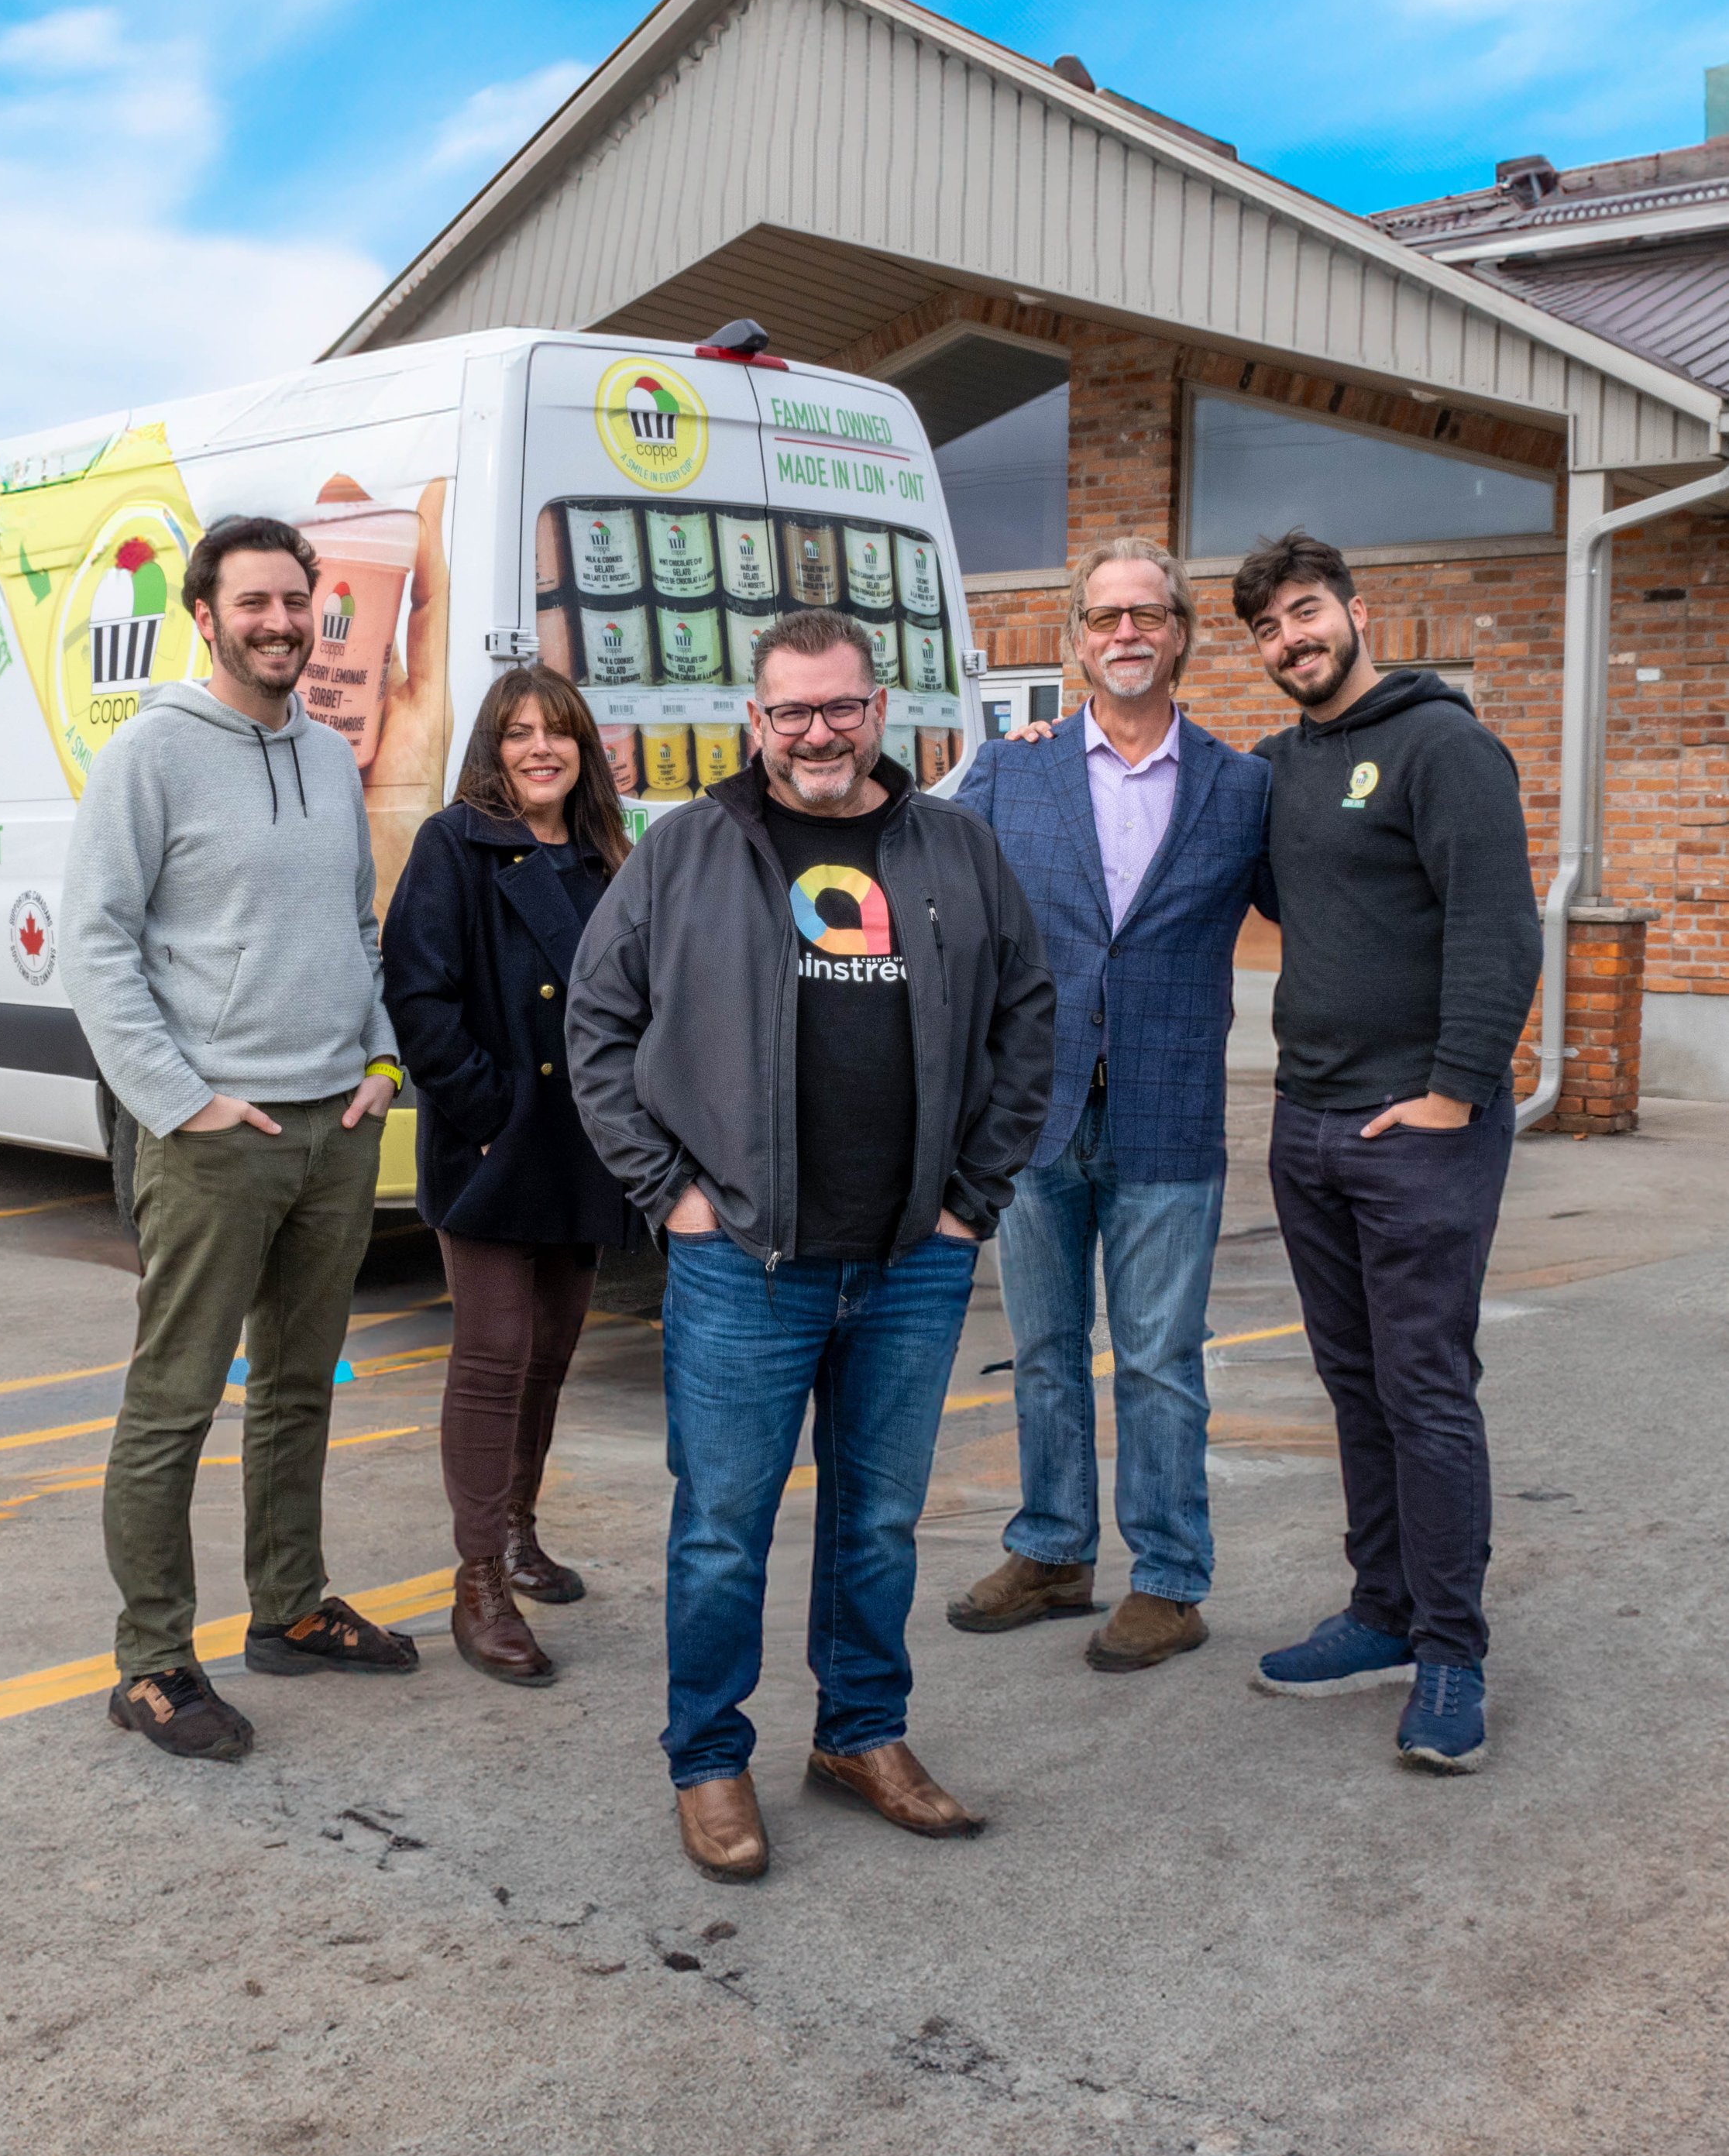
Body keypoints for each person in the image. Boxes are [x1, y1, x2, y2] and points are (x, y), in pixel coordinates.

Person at [566, 609, 1054, 1884]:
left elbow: (1026, 1019)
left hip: (912, 1256)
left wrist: (969, 1202)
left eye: (842, 707)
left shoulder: (955, 848)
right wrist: (666, 1190)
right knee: (723, 1524)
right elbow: (599, 1030)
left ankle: (861, 1736)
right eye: (792, 711)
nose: (818, 733)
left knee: (880, 1520)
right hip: (739, 1258)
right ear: (755, 720)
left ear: (879, 710)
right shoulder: (685, 852)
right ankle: (708, 1760)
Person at [62, 514, 416, 1766]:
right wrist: (182, 1098)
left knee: (298, 1390)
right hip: (216, 1137)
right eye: (251, 602)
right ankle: (152, 1662)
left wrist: (380, 1057)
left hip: (336, 1126)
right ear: (204, 616)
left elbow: (356, 924)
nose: (278, 622)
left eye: (295, 601)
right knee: (172, 1407)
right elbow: (95, 944)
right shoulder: (151, 757)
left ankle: (290, 1605)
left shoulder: (327, 757)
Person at [1236, 529, 1542, 1775]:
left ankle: (1453, 1650)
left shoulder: (1445, 747)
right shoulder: (1278, 769)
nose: (1290, 640)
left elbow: (1499, 929)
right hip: (1306, 1119)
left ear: (1359, 611)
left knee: (1423, 1387)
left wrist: (1455, 1092)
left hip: (1416, 1128)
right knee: (1355, 1386)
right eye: (1266, 628)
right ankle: (1381, 1610)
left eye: (1305, 613)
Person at [950, 537, 1270, 1669]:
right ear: (1074, 639)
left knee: (1158, 1359)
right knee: (1042, 1349)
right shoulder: (1007, 771)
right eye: (1103, 617)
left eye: (1147, 613)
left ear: (1181, 632)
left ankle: (1171, 1578)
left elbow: (1332, 896)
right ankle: (1052, 1549)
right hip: (1033, 1113)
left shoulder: (1244, 788)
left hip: (1168, 1114)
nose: (1125, 632)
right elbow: (940, 913)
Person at [382, 667, 638, 1688]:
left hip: (584, 1147)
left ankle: (522, 1531)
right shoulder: (455, 844)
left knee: (550, 1353)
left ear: (584, 748)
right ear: (491, 749)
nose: (541, 748)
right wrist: (489, 1110)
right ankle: (479, 1576)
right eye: (518, 733)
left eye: (560, 732)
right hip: (496, 1145)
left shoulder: (606, 857)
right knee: (492, 1354)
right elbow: (416, 988)